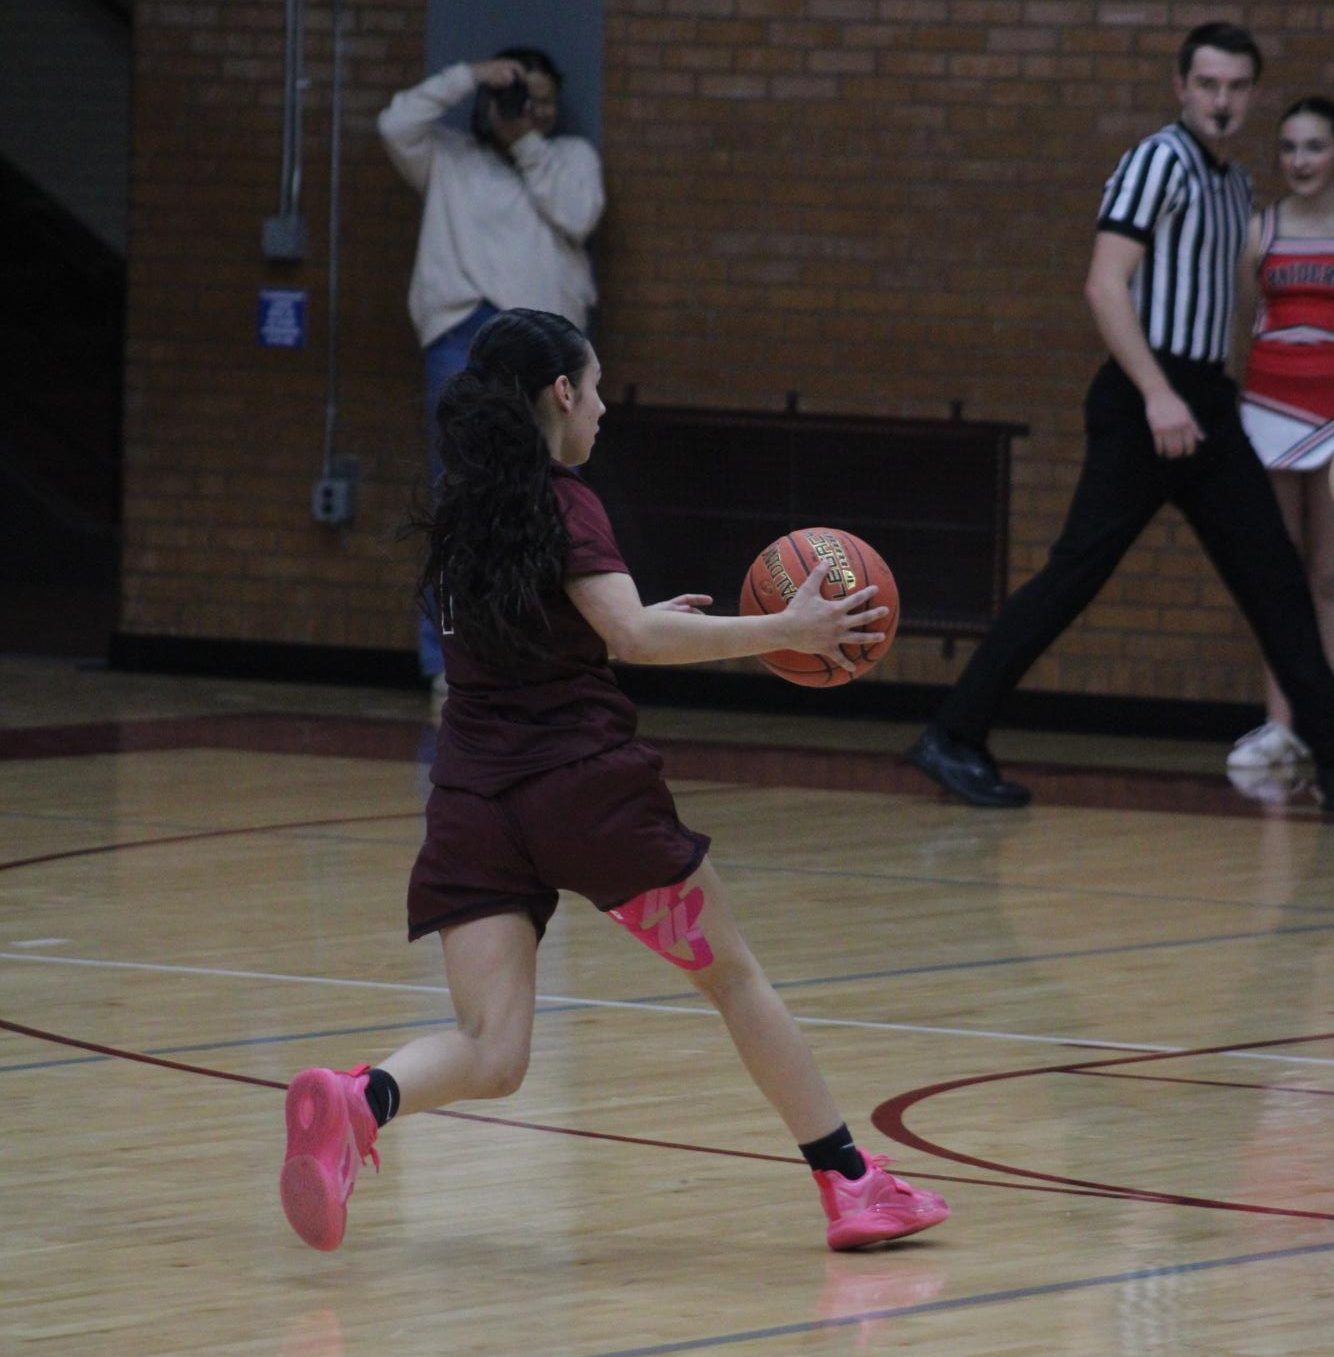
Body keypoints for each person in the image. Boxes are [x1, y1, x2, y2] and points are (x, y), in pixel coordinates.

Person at [278, 309, 950, 1254]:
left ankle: (361, 1099)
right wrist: (784, 631)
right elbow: (631, 636)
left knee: (490, 1049)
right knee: (737, 979)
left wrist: (621, 619)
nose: (602, 410)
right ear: (561, 393)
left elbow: (576, 628)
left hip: (473, 805)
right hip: (586, 796)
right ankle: (853, 1181)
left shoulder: (468, 512)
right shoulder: (564, 500)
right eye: (595, 390)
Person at [905, 22, 1334, 816]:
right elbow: (1105, 286)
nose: (1222, 101)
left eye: (1238, 87)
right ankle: (953, 733)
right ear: (1181, 87)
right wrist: (1156, 393)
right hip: (1146, 402)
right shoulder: (1155, 162)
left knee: (1274, 577)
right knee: (1076, 572)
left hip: (1204, 399)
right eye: (1208, 85)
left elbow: (1227, 301)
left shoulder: (1235, 185)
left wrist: (1205, 390)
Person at [378, 49, 606, 700]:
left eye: (543, 103)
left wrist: (527, 142)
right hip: (464, 335)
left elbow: (578, 214)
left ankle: (549, 653)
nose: (528, 111)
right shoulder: (449, 158)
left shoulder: (571, 160)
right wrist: (469, 77)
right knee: (461, 498)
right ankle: (450, 663)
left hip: (548, 345)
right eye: (516, 96)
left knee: (555, 497)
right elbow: (394, 123)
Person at [1226, 97, 1334, 776]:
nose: (1300, 160)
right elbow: (1245, 321)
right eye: (1290, 147)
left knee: (1329, 573)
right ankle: (1281, 724)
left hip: (1333, 413)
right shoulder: (1259, 230)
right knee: (1279, 571)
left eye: (1315, 146)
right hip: (1268, 407)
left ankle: (1324, 723)